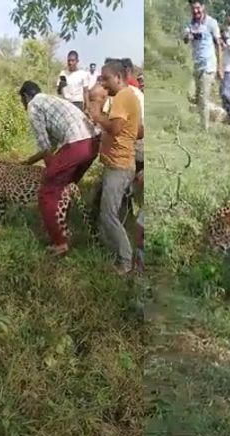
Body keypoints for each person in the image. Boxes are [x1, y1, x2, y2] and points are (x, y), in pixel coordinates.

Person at [18, 81, 99, 257]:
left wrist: (51, 172)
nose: (24, 105)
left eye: (22, 101)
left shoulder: (33, 106)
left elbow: (45, 145)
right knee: (63, 189)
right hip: (92, 143)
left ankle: (59, 242)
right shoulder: (49, 101)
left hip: (77, 144)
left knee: (47, 192)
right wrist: (30, 161)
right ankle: (63, 229)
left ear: (25, 97)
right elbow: (53, 144)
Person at [87, 61, 140, 275]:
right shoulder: (127, 97)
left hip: (120, 166)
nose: (104, 83)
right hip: (117, 164)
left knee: (109, 215)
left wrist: (98, 116)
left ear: (118, 77)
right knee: (103, 211)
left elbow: (116, 128)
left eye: (106, 78)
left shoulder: (122, 97)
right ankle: (111, 252)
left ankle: (126, 261)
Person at [183, 0, 222, 131]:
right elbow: (185, 38)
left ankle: (204, 130)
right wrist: (188, 36)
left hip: (208, 65)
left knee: (202, 99)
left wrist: (220, 67)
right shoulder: (190, 24)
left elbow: (218, 45)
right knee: (192, 96)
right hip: (197, 66)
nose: (196, 11)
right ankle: (219, 113)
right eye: (193, 8)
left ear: (203, 7)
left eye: (198, 8)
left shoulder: (212, 23)